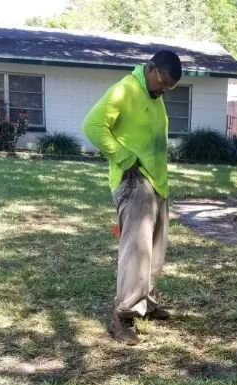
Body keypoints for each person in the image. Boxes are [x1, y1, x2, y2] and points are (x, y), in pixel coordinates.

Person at [84, 50, 182, 345]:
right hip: (134, 180)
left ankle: (147, 304)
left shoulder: (154, 94)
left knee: (154, 250)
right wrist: (124, 157)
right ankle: (122, 316)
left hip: (156, 182)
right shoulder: (125, 89)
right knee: (136, 251)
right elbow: (92, 126)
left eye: (168, 88)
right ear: (150, 69)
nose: (163, 90)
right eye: (162, 83)